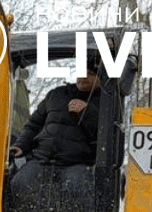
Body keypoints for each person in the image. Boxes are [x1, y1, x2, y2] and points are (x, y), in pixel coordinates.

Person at [7, 65, 102, 193]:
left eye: (90, 73)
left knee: (78, 189)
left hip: (77, 163)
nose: (84, 76)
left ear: (100, 79)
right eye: (82, 72)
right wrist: (21, 145)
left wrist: (87, 111)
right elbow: (33, 124)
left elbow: (104, 135)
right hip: (41, 159)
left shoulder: (105, 102)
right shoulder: (56, 94)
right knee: (20, 183)